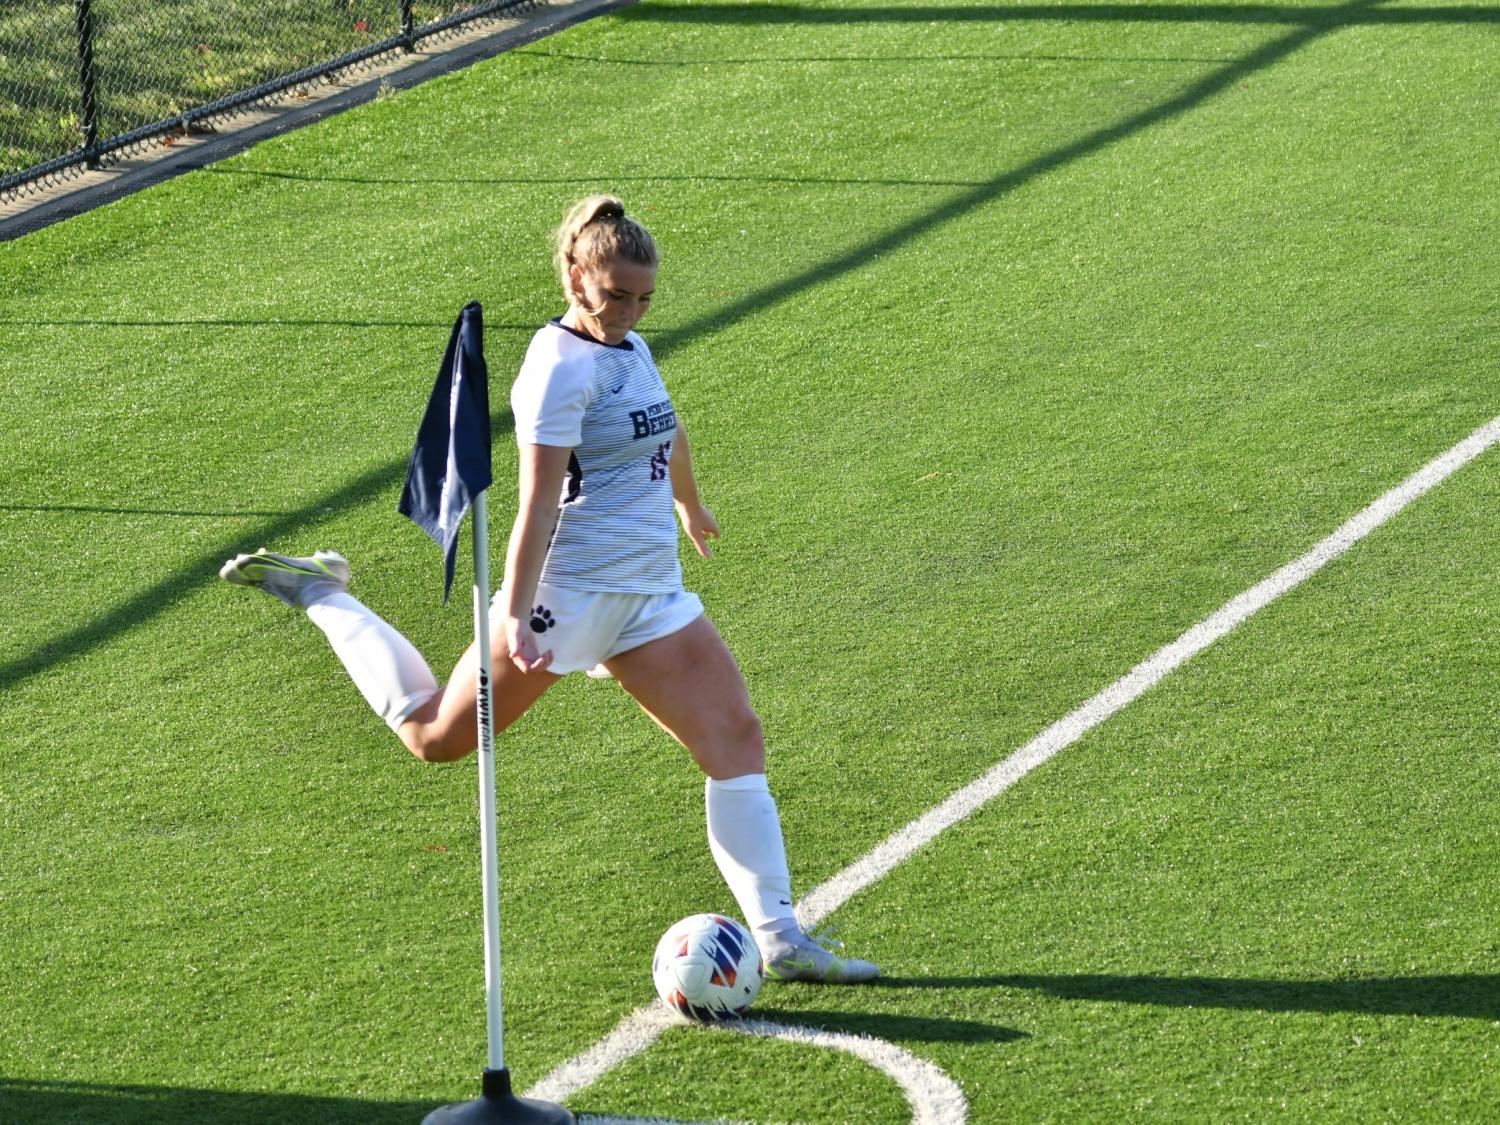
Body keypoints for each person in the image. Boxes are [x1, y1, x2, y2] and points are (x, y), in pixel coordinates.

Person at [220, 195, 877, 984]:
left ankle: (779, 937)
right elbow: (534, 502)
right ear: (575, 275)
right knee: (436, 737)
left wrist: (688, 501)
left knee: (736, 737)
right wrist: (514, 609)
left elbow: (666, 425)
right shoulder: (557, 369)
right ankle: (324, 593)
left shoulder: (629, 344)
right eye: (615, 297)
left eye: (643, 299)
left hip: (649, 595)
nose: (629, 313)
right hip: (563, 597)